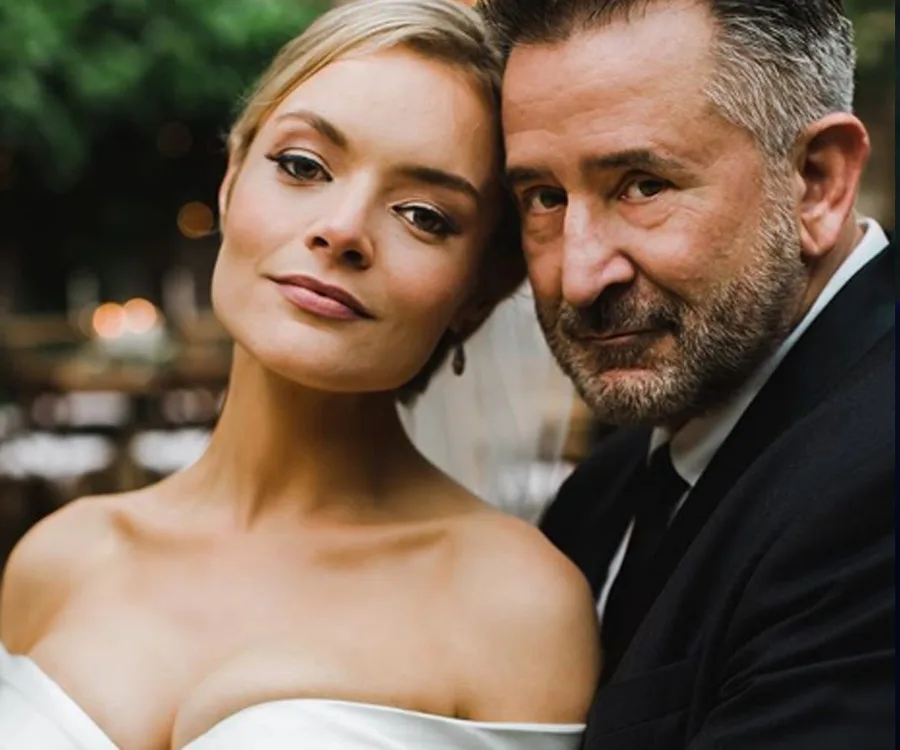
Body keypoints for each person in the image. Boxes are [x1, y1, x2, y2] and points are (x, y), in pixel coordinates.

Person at [0, 1, 600, 748]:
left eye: (422, 214)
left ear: (476, 292)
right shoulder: (58, 558)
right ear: (229, 184)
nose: (344, 228)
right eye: (302, 166)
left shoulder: (515, 605)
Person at [482, 0, 894, 747]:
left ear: (816, 183)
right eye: (543, 198)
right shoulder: (602, 495)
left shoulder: (878, 482)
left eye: (642, 185)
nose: (578, 275)